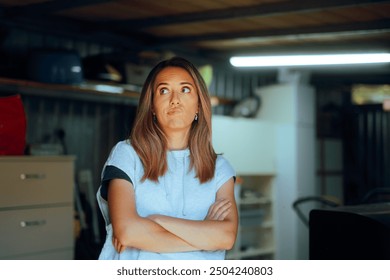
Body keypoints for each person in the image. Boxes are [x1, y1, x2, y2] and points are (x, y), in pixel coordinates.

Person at [96, 56, 238, 260]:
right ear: (152, 106)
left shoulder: (220, 169)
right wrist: (204, 236)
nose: (175, 99)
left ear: (199, 105)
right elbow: (127, 231)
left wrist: (157, 220)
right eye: (163, 90)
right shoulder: (127, 155)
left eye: (185, 89)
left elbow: (225, 237)